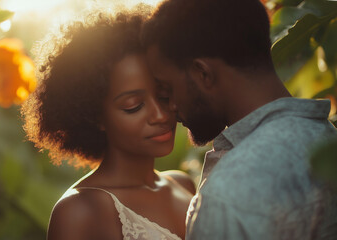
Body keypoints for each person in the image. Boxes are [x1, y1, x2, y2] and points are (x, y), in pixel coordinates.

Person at [141, 0, 337, 239]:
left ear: (203, 74)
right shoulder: (327, 139)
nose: (170, 107)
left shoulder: (229, 194)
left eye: (167, 89)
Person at [21, 6, 195, 240]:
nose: (160, 115)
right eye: (133, 105)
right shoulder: (80, 211)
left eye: (164, 95)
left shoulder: (184, 184)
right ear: (95, 116)